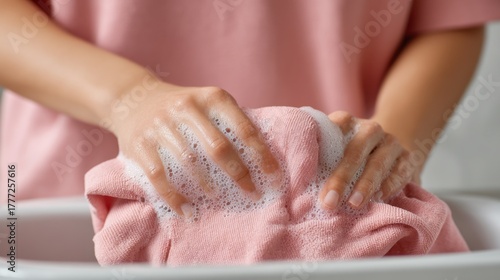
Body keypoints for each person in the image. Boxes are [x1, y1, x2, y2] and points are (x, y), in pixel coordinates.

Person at [0, 0, 498, 217]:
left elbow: (448, 15)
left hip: (335, 214)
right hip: (63, 203)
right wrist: (126, 98)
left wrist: (394, 147)